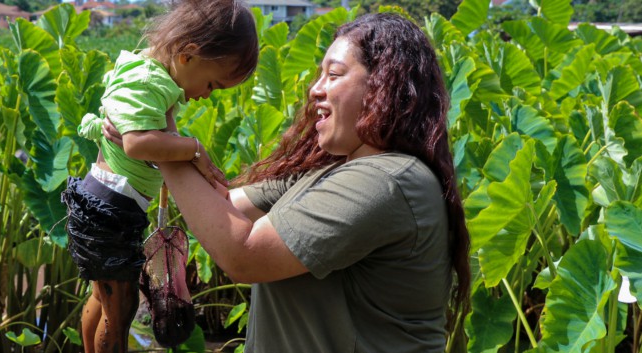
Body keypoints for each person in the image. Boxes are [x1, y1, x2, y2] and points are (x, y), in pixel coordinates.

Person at [105, 12, 470, 352]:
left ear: (384, 86)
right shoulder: (330, 174)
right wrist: (155, 136)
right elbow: (222, 208)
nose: (315, 89)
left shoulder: (386, 181)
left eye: (335, 74)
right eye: (319, 75)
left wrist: (161, 140)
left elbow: (243, 254)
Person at [60, 1, 258, 352]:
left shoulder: (149, 72)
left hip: (105, 202)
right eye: (212, 84)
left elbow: (151, 142)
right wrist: (194, 148)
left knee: (104, 296)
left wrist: (181, 152)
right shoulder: (150, 80)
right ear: (188, 55)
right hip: (111, 208)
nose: (204, 96)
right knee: (120, 311)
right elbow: (137, 144)